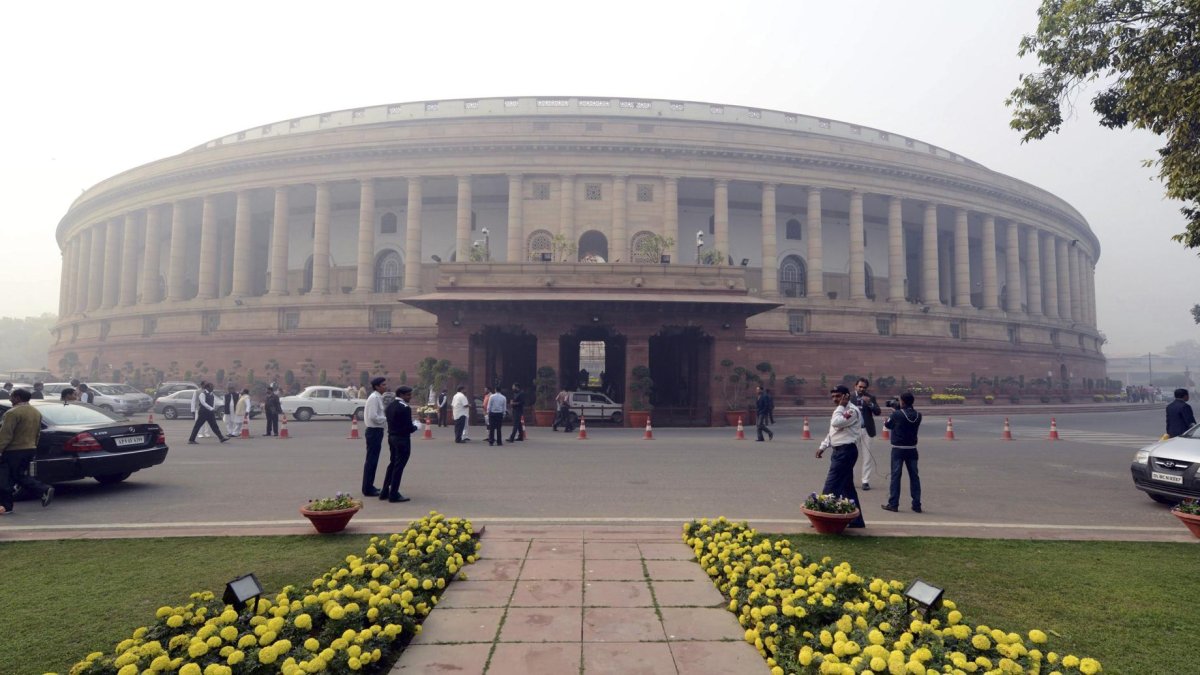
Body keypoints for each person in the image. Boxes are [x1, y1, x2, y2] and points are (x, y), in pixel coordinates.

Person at [815, 385, 865, 529]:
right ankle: (857, 520)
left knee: (831, 485)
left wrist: (841, 406)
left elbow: (836, 422)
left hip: (846, 452)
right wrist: (823, 446)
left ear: (846, 396)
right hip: (839, 451)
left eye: (838, 396)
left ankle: (821, 517)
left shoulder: (851, 410)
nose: (835, 399)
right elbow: (833, 432)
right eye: (833, 397)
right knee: (847, 488)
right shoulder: (841, 410)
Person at [0, 388, 55, 514]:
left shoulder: (12, 413)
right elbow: (37, 433)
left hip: (13, 450)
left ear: (18, 398)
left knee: (4, 479)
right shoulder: (35, 412)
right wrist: (33, 446)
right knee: (17, 475)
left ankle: (43, 489)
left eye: (12, 397)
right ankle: (7, 506)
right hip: (29, 449)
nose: (10, 399)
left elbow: (5, 434)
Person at [881, 392, 923, 513]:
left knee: (895, 476)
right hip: (912, 449)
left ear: (902, 401)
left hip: (898, 449)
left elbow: (888, 425)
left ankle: (893, 504)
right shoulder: (918, 415)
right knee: (914, 477)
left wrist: (894, 411)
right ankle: (917, 504)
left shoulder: (897, 414)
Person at [381, 385, 419, 502]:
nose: (410, 397)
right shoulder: (405, 407)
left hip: (391, 437)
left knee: (392, 464)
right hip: (402, 439)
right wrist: (416, 426)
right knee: (399, 467)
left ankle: (384, 491)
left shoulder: (390, 406)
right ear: (401, 395)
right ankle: (394, 494)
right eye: (408, 395)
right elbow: (408, 427)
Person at [850, 377, 882, 490]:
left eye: (864, 387)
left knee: (867, 457)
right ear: (855, 386)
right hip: (852, 431)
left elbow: (878, 412)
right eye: (860, 387)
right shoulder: (849, 397)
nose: (862, 389)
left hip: (866, 430)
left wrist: (870, 404)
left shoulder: (870, 397)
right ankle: (849, 480)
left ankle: (865, 481)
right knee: (851, 456)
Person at [361, 376, 388, 496]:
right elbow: (373, 416)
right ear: (377, 386)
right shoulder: (373, 398)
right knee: (371, 461)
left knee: (373, 460)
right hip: (374, 431)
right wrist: (387, 419)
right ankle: (367, 488)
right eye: (383, 385)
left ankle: (369, 486)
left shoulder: (378, 397)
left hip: (377, 431)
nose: (385, 387)